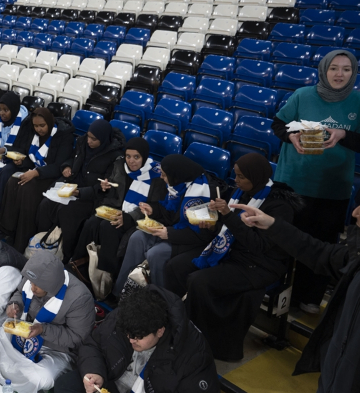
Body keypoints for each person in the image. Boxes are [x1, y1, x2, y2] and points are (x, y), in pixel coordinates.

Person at [164, 153, 299, 361]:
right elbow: (227, 228)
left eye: (241, 177)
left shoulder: (279, 206)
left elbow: (259, 245)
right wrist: (213, 223)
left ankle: (202, 341)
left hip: (260, 263)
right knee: (175, 266)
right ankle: (176, 322)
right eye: (235, 175)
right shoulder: (240, 193)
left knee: (198, 281)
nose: (235, 181)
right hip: (231, 250)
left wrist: (227, 216)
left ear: (256, 176)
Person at [235, 202, 360, 393]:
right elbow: (321, 253)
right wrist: (272, 225)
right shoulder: (356, 254)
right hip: (336, 368)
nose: (355, 212)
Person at [271, 49, 360, 314]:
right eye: (334, 68)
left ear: (353, 73)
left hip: (332, 188)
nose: (339, 74)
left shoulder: (357, 101)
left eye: (346, 69)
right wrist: (292, 137)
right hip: (293, 183)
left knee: (322, 244)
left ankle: (309, 296)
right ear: (324, 69)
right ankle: (276, 292)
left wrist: (343, 134)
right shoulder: (302, 95)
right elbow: (278, 125)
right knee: (283, 240)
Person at [54, 285, 219, 393]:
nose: (131, 341)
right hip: (112, 381)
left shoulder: (193, 354)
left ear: (160, 331)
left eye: (139, 338)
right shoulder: (126, 316)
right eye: (128, 335)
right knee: (66, 385)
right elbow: (92, 344)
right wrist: (94, 372)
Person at [0, 250, 95, 393]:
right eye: (31, 282)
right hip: (23, 334)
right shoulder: (32, 278)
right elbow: (19, 293)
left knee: (37, 378)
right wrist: (15, 305)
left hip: (54, 349)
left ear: (52, 285)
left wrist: (43, 330)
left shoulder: (80, 298)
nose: (32, 287)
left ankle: (6, 377)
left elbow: (76, 338)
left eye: (37, 285)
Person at [114, 154, 224, 295]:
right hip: (172, 230)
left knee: (156, 253)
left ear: (176, 175)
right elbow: (170, 213)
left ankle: (162, 301)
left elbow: (202, 234)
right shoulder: (177, 186)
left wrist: (169, 234)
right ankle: (122, 293)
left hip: (189, 240)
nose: (161, 178)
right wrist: (153, 209)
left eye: (165, 175)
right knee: (137, 237)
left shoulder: (204, 193)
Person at [69, 137, 165, 293]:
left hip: (136, 218)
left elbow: (153, 207)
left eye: (136, 157)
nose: (131, 161)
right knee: (91, 223)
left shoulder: (156, 177)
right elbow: (113, 195)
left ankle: (106, 278)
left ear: (144, 157)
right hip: (115, 209)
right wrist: (105, 187)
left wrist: (128, 217)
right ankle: (78, 265)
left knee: (108, 227)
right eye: (128, 156)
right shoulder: (120, 166)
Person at [35, 119, 125, 260]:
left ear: (103, 139)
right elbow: (72, 158)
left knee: (66, 211)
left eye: (94, 139)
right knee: (46, 204)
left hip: (91, 196)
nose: (89, 141)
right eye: (88, 136)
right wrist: (67, 167)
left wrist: (81, 192)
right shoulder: (82, 143)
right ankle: (42, 244)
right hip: (72, 186)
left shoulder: (114, 156)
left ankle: (67, 255)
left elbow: (106, 187)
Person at [0, 108, 75, 252]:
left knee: (27, 188)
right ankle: (7, 230)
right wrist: (23, 162)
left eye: (42, 126)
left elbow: (59, 165)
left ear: (50, 123)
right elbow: (29, 156)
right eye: (36, 126)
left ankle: (22, 239)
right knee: (13, 181)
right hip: (36, 171)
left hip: (51, 177)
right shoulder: (33, 134)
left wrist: (36, 173)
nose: (38, 129)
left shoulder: (64, 136)